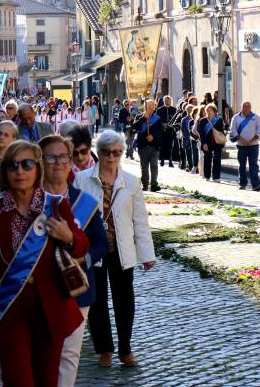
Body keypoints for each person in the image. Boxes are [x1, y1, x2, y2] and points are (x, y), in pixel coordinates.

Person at [0, 141, 89, 386]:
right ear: (4, 171)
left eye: (27, 164)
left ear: (38, 169)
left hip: (50, 312)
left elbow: (82, 248)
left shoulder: (56, 205)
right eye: (13, 166)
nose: (20, 171)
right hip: (10, 312)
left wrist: (68, 237)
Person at [73, 130, 156, 368]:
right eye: (107, 152)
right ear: (98, 153)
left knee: (124, 300)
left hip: (122, 248)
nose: (112, 157)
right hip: (94, 249)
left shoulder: (131, 181)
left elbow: (140, 220)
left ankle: (125, 348)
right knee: (97, 301)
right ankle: (104, 349)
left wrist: (147, 254)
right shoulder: (82, 180)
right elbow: (76, 218)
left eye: (117, 152)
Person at [38, 134, 108, 387]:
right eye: (50, 157)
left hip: (75, 287)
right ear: (40, 162)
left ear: (70, 162)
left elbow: (101, 243)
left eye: (63, 157)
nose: (58, 162)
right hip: (36, 289)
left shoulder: (85, 201)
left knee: (68, 355)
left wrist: (83, 259)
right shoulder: (30, 199)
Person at [229, 101, 260, 191]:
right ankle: (242, 184)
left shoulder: (256, 117)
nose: (246, 108)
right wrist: (242, 140)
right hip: (241, 145)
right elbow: (233, 131)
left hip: (253, 145)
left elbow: (259, 131)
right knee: (242, 165)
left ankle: (255, 185)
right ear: (241, 107)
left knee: (253, 165)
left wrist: (251, 141)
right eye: (244, 106)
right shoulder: (235, 118)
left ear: (251, 107)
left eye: (248, 106)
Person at [131, 99, 163, 192]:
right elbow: (134, 128)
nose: (151, 108)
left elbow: (160, 131)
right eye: (149, 106)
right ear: (145, 107)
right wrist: (143, 119)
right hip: (143, 146)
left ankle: (154, 185)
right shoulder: (139, 117)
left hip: (154, 146)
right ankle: (145, 184)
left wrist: (153, 136)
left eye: (153, 106)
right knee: (144, 167)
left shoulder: (157, 118)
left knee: (154, 166)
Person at [198, 103, 225, 181]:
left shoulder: (219, 119)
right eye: (207, 110)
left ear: (214, 111)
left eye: (211, 110)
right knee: (207, 159)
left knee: (217, 159)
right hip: (207, 142)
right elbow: (201, 133)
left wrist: (223, 141)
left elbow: (221, 131)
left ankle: (216, 177)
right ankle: (207, 176)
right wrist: (204, 143)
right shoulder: (202, 121)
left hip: (217, 142)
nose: (209, 112)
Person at [157, 96, 178, 168]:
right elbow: (157, 119)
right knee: (163, 145)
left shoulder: (174, 109)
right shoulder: (160, 110)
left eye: (168, 101)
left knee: (170, 145)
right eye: (166, 101)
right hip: (162, 130)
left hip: (171, 130)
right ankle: (162, 159)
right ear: (164, 101)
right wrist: (162, 124)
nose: (167, 102)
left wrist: (172, 125)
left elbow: (175, 119)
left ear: (170, 101)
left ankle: (170, 160)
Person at [181, 105, 198, 174]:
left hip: (194, 139)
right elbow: (183, 130)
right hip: (187, 139)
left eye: (191, 110)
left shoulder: (196, 119)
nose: (190, 111)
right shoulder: (184, 119)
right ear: (187, 111)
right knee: (188, 153)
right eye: (189, 110)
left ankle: (195, 166)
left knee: (194, 153)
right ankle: (190, 166)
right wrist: (187, 138)